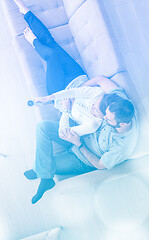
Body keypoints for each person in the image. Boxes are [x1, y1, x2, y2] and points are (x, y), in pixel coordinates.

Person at [13, 0, 139, 204]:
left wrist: (78, 144)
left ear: (121, 124)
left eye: (107, 119)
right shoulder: (118, 103)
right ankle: (25, 12)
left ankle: (44, 174)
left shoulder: (120, 144)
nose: (105, 119)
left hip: (80, 152)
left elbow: (100, 164)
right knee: (52, 48)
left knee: (46, 148)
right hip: (75, 92)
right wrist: (79, 92)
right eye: (104, 114)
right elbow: (99, 82)